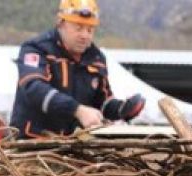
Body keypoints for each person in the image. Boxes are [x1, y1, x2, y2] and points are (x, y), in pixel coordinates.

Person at [9, 0, 144, 139]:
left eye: (90, 30)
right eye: (78, 28)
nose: (85, 35)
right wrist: (77, 110)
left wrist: (122, 110)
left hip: (69, 145)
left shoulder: (96, 59)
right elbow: (33, 88)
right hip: (30, 142)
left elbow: (102, 102)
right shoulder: (36, 49)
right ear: (61, 23)